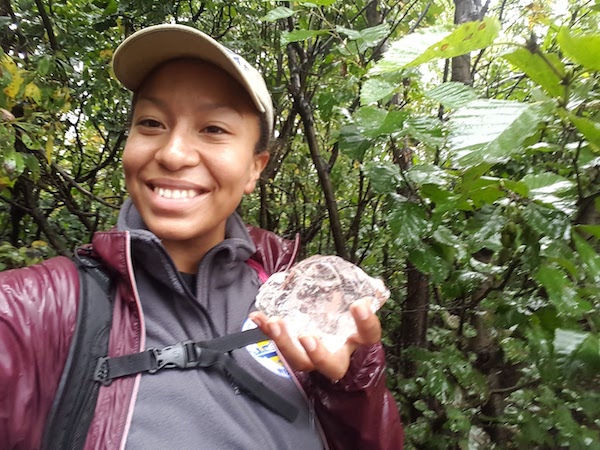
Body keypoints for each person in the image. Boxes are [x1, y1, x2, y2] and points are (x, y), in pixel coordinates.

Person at [0, 24, 404, 449]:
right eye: (152, 123)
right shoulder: (38, 310)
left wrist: (351, 380)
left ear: (255, 168)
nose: (173, 154)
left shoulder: (291, 295)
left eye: (213, 129)